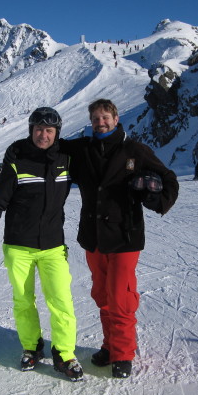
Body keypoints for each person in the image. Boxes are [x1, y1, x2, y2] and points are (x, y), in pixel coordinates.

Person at [60, 98, 179, 379]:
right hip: (94, 237)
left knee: (120, 296)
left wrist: (153, 198)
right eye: (95, 119)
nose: (100, 123)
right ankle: (110, 346)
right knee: (102, 295)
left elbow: (169, 178)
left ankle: (123, 353)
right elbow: (51, 144)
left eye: (105, 118)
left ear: (115, 118)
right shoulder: (83, 149)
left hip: (125, 236)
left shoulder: (134, 150)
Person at [0, 107, 83, 381]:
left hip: (53, 247)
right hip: (18, 247)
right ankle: (32, 347)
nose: (43, 135)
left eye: (49, 130)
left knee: (61, 300)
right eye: (38, 129)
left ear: (57, 133)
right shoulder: (16, 165)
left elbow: (96, 176)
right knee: (23, 300)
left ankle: (64, 353)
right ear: (30, 130)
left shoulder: (66, 162)